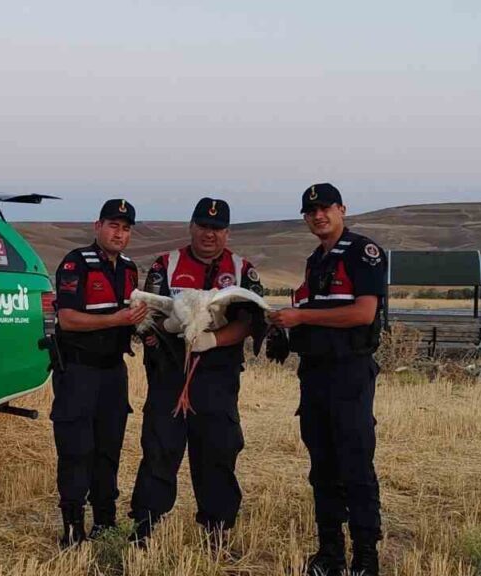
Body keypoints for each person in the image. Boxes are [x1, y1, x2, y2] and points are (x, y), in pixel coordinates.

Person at [129, 197, 265, 542]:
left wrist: (214, 340)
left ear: (227, 233)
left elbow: (251, 321)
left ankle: (217, 531)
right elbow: (149, 315)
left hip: (218, 377)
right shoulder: (166, 264)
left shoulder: (242, 270)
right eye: (204, 226)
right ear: (191, 226)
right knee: (160, 448)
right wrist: (161, 335)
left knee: (218, 451)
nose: (210, 234)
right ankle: (145, 526)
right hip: (169, 375)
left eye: (217, 229)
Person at [267, 183, 386, 576]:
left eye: (326, 208)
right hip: (315, 374)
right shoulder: (315, 261)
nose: (319, 215)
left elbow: (363, 313)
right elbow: (313, 310)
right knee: (322, 467)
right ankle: (330, 553)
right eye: (311, 210)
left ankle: (366, 558)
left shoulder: (361, 253)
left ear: (342, 209)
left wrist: (301, 318)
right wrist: (287, 331)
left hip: (349, 373)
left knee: (355, 465)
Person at [50, 198, 148, 548]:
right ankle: (72, 526)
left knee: (109, 448)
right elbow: (67, 319)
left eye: (125, 228)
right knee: (76, 449)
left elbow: (133, 317)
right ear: (98, 226)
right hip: (78, 370)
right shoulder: (76, 263)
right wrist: (115, 320)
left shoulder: (130, 269)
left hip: (113, 373)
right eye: (113, 226)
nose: (119, 233)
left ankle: (104, 520)